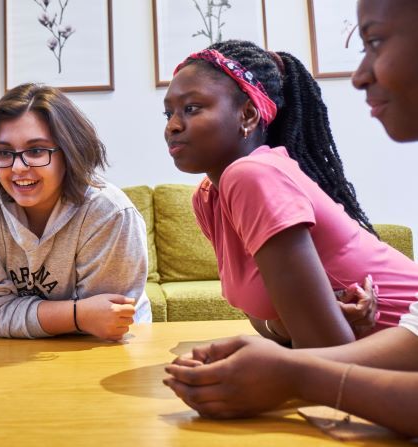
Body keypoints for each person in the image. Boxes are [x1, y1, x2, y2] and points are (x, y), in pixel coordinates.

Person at [163, 0, 418, 437]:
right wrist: (282, 331)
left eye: (191, 108)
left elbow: (321, 351)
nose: (172, 125)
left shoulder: (252, 175)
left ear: (247, 115)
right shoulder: (210, 195)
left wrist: (288, 369)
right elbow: (271, 317)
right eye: (168, 113)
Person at [0, 83, 151, 341]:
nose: (18, 168)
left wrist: (85, 317)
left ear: (69, 152)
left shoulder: (109, 213)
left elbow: (109, 320)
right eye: (5, 152)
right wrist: (78, 315)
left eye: (36, 151)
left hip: (107, 347)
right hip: (16, 349)